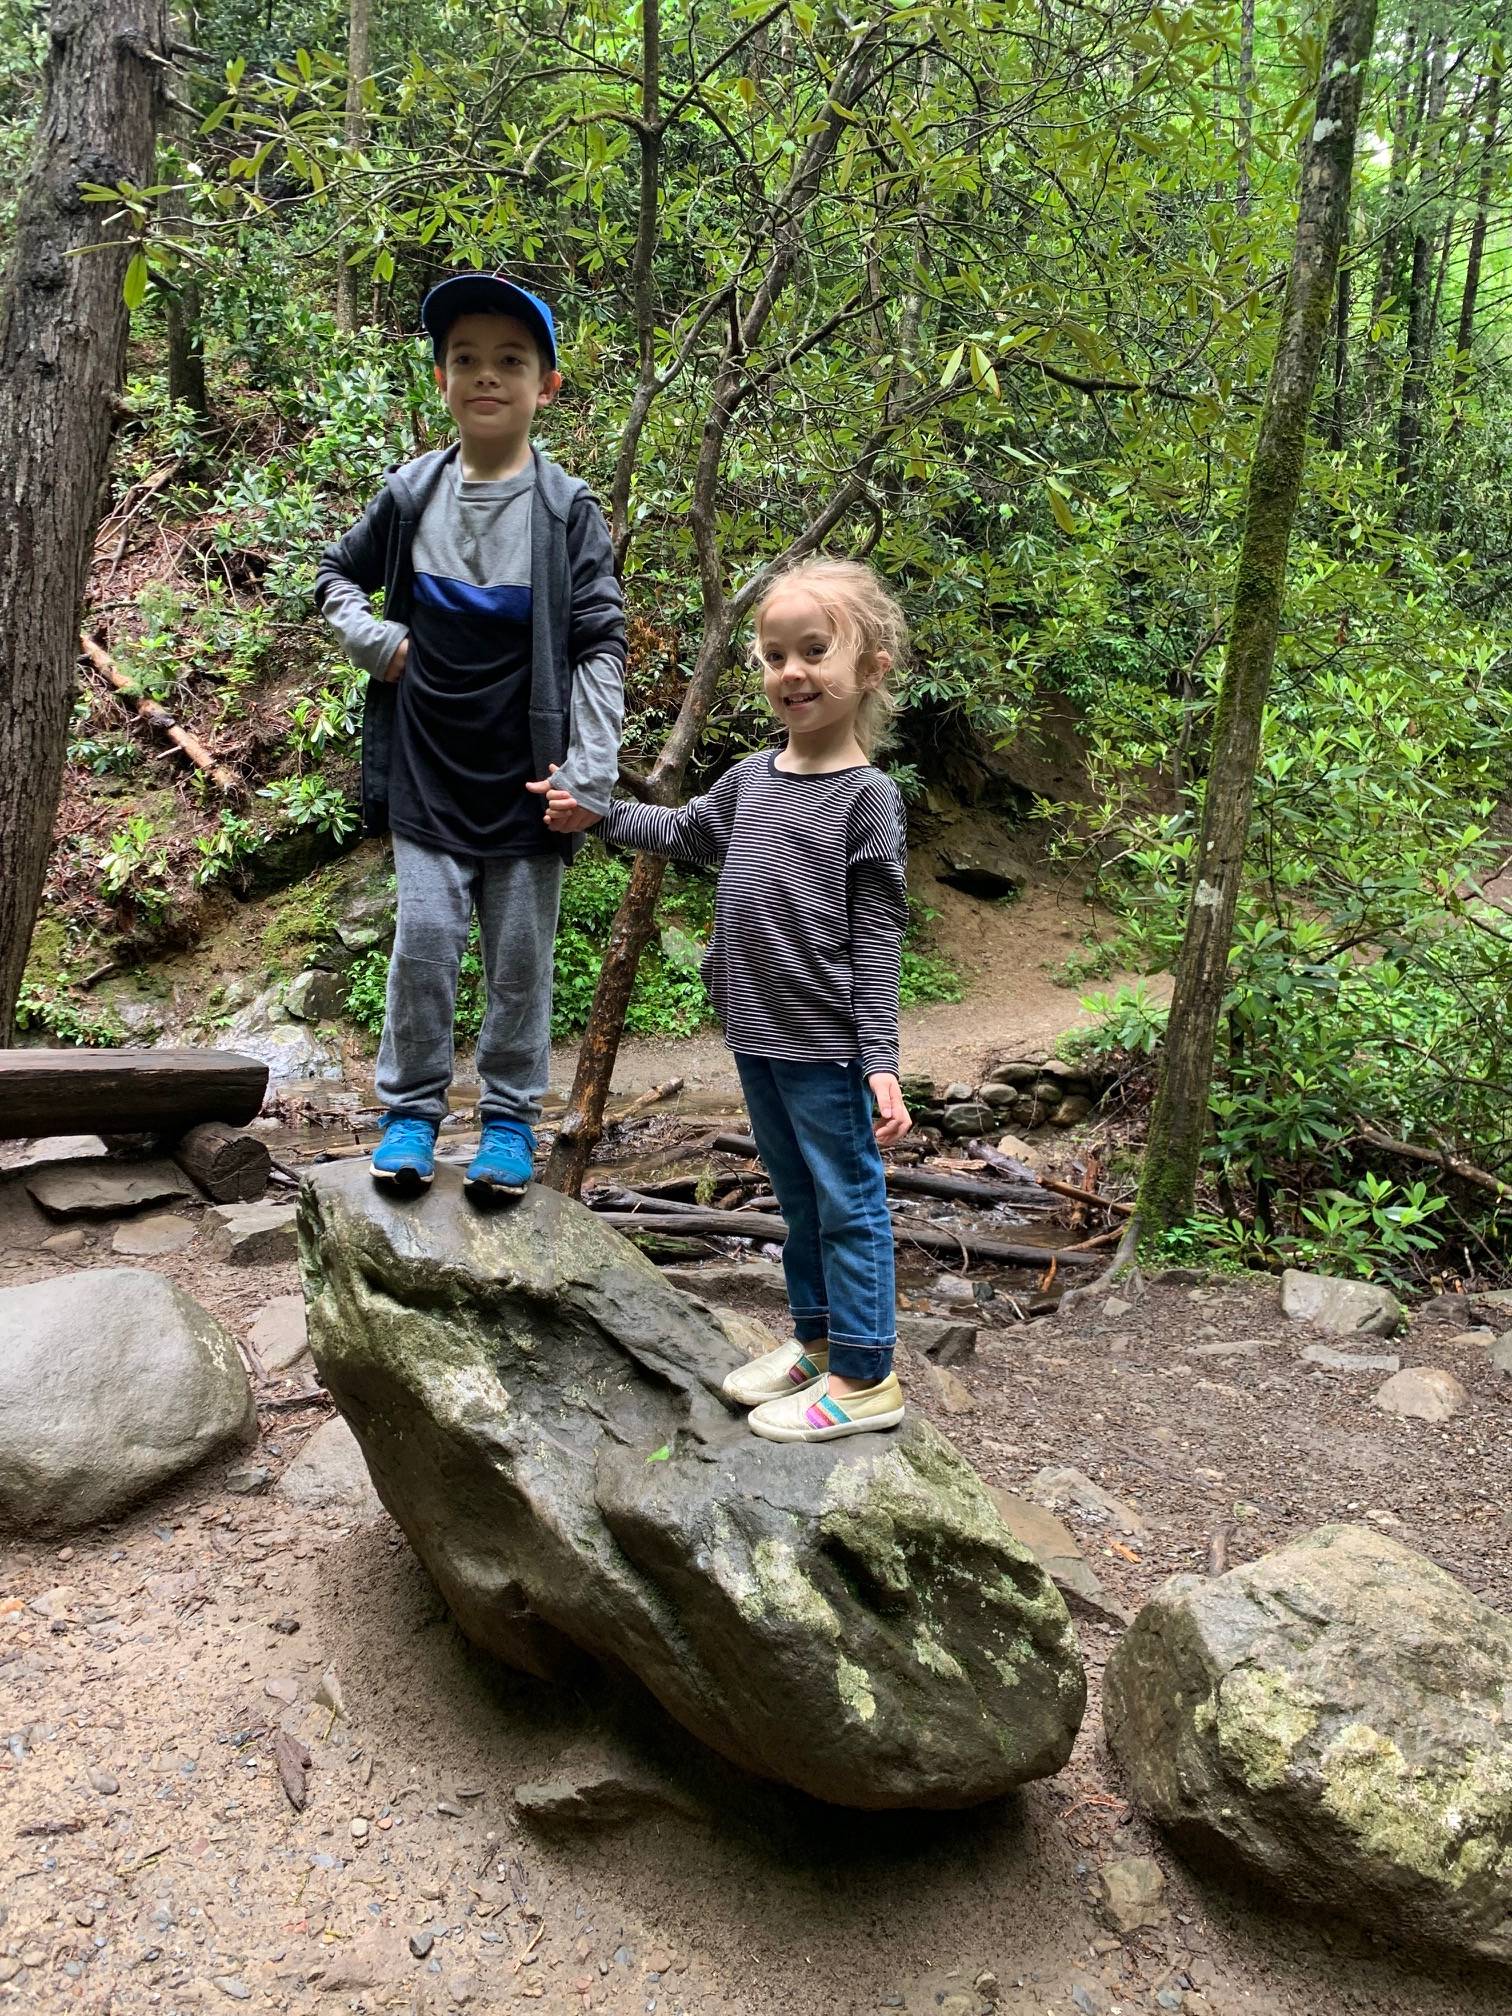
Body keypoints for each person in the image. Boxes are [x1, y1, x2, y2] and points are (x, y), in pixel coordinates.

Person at [535, 557, 912, 1443]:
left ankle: (866, 1375)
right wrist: (597, 815)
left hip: (826, 1043)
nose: (791, 672)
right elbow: (681, 831)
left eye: (814, 650)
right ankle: (818, 1344)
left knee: (847, 1200)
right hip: (756, 1031)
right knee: (798, 1197)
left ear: (871, 668)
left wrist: (883, 1061)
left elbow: (878, 937)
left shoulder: (869, 799)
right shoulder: (750, 780)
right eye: (775, 655)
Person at [315, 272, 625, 1199]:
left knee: (521, 962)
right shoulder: (410, 494)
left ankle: (506, 1127)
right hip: (428, 765)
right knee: (424, 945)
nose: (485, 376)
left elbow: (600, 640)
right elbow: (334, 577)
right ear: (441, 379)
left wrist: (593, 772)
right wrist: (376, 640)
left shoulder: (569, 512)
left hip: (532, 775)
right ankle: (409, 1116)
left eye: (510, 361)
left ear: (547, 385)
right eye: (465, 360)